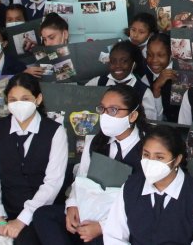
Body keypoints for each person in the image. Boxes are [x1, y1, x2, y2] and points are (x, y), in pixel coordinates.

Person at [37, 83, 147, 244]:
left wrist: (103, 226)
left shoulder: (147, 148)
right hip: (90, 208)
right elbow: (81, 178)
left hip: (122, 220)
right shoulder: (96, 141)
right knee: (43, 215)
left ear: (132, 115)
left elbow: (145, 203)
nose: (105, 115)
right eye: (102, 109)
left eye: (113, 110)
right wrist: (72, 205)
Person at [0, 73, 67, 245]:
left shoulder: (55, 131)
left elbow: (52, 183)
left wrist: (22, 220)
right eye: (13, 99)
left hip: (39, 209)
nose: (19, 104)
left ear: (38, 99)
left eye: (25, 98)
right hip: (6, 206)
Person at [102, 125, 193, 245]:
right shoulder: (130, 187)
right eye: (146, 155)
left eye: (159, 157)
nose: (150, 162)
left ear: (177, 160)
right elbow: (114, 236)